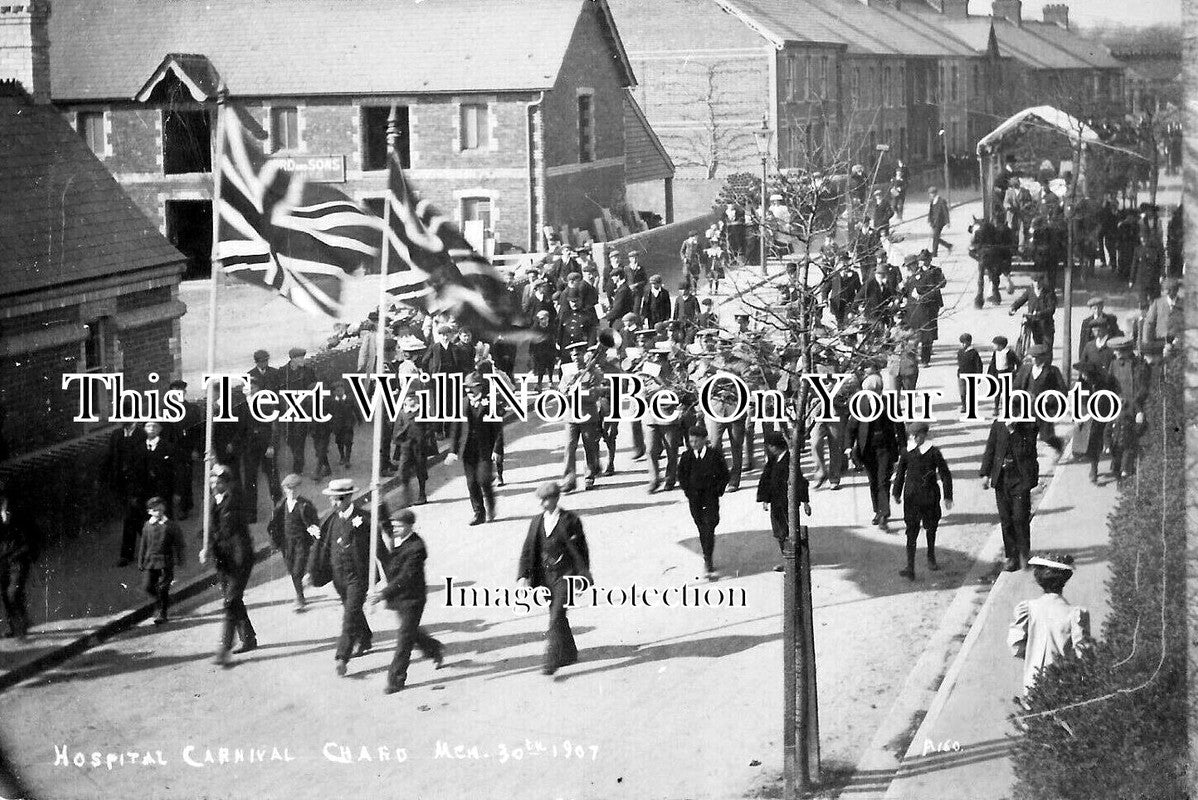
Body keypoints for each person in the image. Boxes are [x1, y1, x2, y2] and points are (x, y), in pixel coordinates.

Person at [309, 478, 381, 677]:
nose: (334, 503)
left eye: (338, 499)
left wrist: (393, 575)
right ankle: (365, 637)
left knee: (349, 616)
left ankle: (342, 657)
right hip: (338, 577)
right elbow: (321, 547)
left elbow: (379, 548)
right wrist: (312, 571)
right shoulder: (331, 520)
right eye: (332, 499)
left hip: (358, 578)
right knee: (353, 610)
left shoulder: (364, 519)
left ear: (349, 497)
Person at [517, 482, 591, 676]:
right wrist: (523, 575)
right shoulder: (536, 522)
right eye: (540, 500)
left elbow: (582, 551)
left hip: (566, 575)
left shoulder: (570, 520)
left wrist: (583, 575)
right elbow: (527, 550)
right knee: (556, 613)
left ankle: (551, 659)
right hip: (546, 576)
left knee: (556, 615)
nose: (542, 503)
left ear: (556, 499)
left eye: (546, 499)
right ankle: (569, 652)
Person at [371, 508, 444, 694]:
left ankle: (396, 680)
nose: (394, 529)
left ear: (409, 526)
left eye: (399, 526)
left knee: (404, 639)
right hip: (399, 599)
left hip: (413, 599)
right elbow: (385, 524)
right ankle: (434, 649)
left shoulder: (417, 547)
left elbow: (405, 577)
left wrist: (382, 594)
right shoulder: (399, 536)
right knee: (412, 633)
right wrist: (379, 504)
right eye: (393, 526)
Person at [1007, 553, 1091, 699]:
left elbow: (1015, 645)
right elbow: (1083, 654)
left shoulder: (1028, 609)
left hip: (1034, 682)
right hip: (1066, 683)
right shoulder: (1075, 614)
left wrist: (1033, 651)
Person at [203, 464, 257, 666]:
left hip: (239, 560)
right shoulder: (213, 502)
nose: (214, 485)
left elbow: (232, 535)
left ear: (226, 484)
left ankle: (224, 648)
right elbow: (212, 531)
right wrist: (207, 547)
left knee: (230, 602)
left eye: (218, 482)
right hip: (223, 560)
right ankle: (248, 638)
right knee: (233, 601)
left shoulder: (234, 500)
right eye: (212, 481)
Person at [892, 423, 952, 580]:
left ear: (923, 436)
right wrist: (896, 493)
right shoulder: (907, 452)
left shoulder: (933, 452)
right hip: (911, 497)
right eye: (911, 436)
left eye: (915, 436)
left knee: (931, 528)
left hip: (929, 496)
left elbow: (945, 474)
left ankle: (931, 556)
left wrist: (948, 496)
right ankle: (910, 567)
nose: (913, 438)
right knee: (911, 532)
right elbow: (900, 474)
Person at [980, 420, 1039, 572]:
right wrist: (985, 473)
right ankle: (1012, 557)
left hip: (1020, 478)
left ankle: (1024, 555)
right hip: (1001, 478)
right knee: (1006, 520)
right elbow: (990, 448)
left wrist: (1013, 431)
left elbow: (1028, 450)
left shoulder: (1028, 425)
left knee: (1020, 518)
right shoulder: (997, 425)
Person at [850, 374, 906, 530]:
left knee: (883, 480)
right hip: (867, 450)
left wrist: (903, 446)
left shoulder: (890, 404)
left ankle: (884, 514)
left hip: (885, 448)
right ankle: (878, 510)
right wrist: (849, 447)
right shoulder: (860, 404)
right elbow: (852, 427)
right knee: (873, 481)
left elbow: (899, 426)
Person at [678, 426, 730, 580]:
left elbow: (724, 475)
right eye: (690, 440)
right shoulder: (686, 456)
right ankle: (707, 555)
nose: (692, 443)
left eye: (696, 440)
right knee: (702, 527)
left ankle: (708, 558)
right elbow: (682, 476)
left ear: (704, 440)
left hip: (710, 498)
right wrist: (688, 492)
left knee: (709, 526)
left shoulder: (715, 455)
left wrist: (717, 491)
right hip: (695, 500)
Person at [449, 373, 502, 525]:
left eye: (472, 387)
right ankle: (479, 513)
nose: (469, 390)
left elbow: (498, 429)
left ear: (480, 387)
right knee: (471, 482)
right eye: (466, 388)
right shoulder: (462, 403)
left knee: (484, 480)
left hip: (485, 448)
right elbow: (455, 429)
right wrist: (452, 450)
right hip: (468, 449)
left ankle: (491, 506)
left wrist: (497, 450)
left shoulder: (490, 403)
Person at [756, 432, 811, 573]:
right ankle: (788, 559)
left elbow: (800, 481)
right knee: (779, 532)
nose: (768, 449)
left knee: (788, 532)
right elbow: (766, 480)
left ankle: (793, 561)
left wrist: (805, 502)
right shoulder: (773, 460)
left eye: (769, 446)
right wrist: (765, 500)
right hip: (776, 503)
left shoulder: (790, 461)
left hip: (787, 504)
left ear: (775, 447)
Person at [267, 474, 320, 612]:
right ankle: (300, 593)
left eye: (295, 488)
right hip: (286, 543)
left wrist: (313, 530)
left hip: (301, 542)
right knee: (291, 569)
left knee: (297, 570)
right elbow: (274, 525)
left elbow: (314, 522)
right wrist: (274, 542)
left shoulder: (305, 505)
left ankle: (299, 597)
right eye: (289, 488)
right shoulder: (281, 506)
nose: (293, 491)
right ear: (285, 489)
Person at [0, 480, 39, 640]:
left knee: (13, 592)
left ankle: (22, 624)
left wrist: (30, 551)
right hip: (3, 556)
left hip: (19, 556)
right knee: (5, 594)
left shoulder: (18, 508)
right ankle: (14, 626)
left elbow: (33, 532)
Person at [1012, 344, 1066, 457]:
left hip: (1044, 410)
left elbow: (1062, 390)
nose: (1035, 360)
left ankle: (1059, 444)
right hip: (1027, 408)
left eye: (1037, 357)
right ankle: (1030, 461)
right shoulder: (1026, 369)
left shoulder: (1052, 371)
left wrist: (1049, 398)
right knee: (1027, 436)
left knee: (1046, 436)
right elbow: (1016, 386)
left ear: (1044, 358)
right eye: (1033, 357)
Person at [138, 496, 185, 625]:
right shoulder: (147, 526)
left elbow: (179, 544)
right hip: (150, 561)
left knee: (163, 587)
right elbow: (144, 544)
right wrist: (140, 561)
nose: (158, 512)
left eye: (160, 509)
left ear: (164, 508)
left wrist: (180, 559)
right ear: (149, 512)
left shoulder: (170, 525)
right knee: (148, 586)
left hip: (166, 561)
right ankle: (162, 601)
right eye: (154, 510)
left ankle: (162, 613)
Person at [106, 420, 146, 566]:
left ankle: (127, 555)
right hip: (122, 484)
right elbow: (111, 458)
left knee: (131, 517)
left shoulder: (142, 434)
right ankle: (157, 546)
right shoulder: (116, 435)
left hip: (137, 483)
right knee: (135, 517)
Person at [278, 347, 317, 473]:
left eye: (303, 357)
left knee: (300, 437)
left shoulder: (308, 371)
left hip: (302, 409)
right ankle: (297, 458)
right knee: (289, 439)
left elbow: (313, 388)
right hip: (287, 410)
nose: (302, 360)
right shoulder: (282, 372)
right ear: (292, 359)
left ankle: (298, 465)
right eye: (300, 358)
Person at [1009, 274, 1057, 356]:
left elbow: (1051, 309)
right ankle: (1040, 362)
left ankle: (1047, 365)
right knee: (1037, 345)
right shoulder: (1030, 291)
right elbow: (1021, 300)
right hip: (1034, 324)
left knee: (1047, 346)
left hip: (1046, 325)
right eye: (1035, 281)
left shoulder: (1049, 292)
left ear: (1043, 281)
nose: (1037, 284)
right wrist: (1013, 307)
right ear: (1032, 282)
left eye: (1039, 281)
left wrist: (1040, 313)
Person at [329, 380, 357, 468]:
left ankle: (347, 459)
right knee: (339, 442)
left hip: (348, 425)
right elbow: (330, 413)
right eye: (337, 391)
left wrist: (359, 419)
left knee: (348, 442)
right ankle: (342, 456)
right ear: (334, 392)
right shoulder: (332, 402)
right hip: (338, 425)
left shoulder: (349, 400)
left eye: (341, 390)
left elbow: (355, 409)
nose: (340, 392)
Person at [956, 333, 984, 413]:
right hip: (961, 375)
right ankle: (964, 405)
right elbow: (959, 363)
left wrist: (979, 376)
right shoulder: (960, 352)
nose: (962, 344)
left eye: (964, 342)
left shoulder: (974, 353)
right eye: (961, 343)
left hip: (972, 375)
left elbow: (979, 365)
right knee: (962, 391)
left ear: (969, 342)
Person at [927, 187, 952, 257]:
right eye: (930, 193)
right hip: (934, 222)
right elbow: (931, 212)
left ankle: (934, 253)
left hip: (940, 222)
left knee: (935, 237)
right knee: (935, 236)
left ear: (935, 193)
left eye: (931, 193)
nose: (930, 195)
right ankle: (948, 245)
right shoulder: (932, 201)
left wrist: (947, 222)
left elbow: (945, 211)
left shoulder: (941, 201)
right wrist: (929, 219)